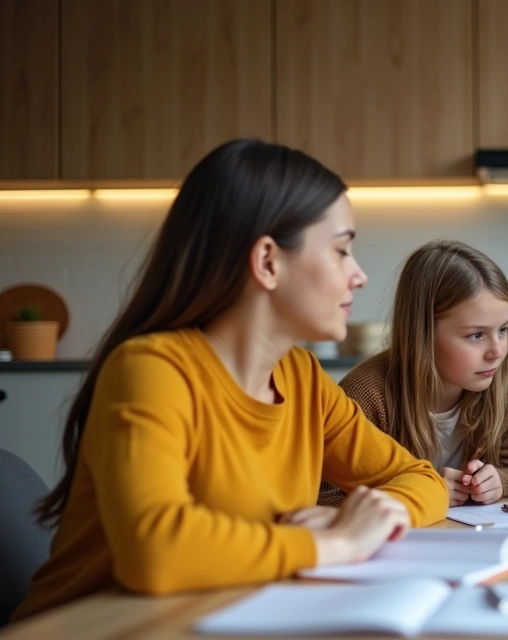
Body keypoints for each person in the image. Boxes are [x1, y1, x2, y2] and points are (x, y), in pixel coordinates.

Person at [12, 139, 448, 622]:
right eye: (342, 250)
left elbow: (421, 478)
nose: (359, 275)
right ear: (267, 262)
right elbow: (156, 553)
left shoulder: (303, 378)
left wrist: (368, 520)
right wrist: (336, 541)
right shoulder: (152, 369)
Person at [319, 240, 508, 507]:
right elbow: (325, 497)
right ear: (423, 333)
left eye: (502, 330)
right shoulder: (364, 394)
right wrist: (421, 492)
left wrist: (500, 481)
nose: (498, 351)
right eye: (476, 335)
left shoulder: (507, 382)